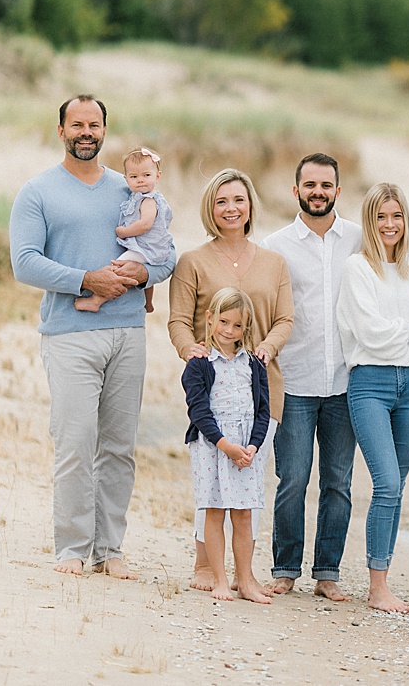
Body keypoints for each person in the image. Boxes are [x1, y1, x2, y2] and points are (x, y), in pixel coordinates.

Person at [10, 94, 176, 577]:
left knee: (119, 447)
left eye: (95, 124)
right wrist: (87, 279)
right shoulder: (37, 191)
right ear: (61, 130)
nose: (87, 132)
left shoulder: (134, 189)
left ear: (105, 130)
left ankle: (111, 550)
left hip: (127, 331)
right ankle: (72, 549)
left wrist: (142, 277)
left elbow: (165, 254)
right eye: (77, 124)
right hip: (69, 335)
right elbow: (24, 262)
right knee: (76, 444)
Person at [168, 168, 293, 591]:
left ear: (250, 206)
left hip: (260, 391)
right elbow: (179, 321)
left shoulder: (275, 263)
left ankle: (246, 573)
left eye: (238, 200)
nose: (231, 208)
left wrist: (267, 348)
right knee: (211, 484)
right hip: (213, 392)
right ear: (210, 208)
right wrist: (191, 351)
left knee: (246, 483)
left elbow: (285, 319)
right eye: (221, 201)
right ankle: (206, 565)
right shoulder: (192, 262)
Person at [337, 183, 409, 613]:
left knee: (395, 489)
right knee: (387, 482)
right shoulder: (357, 268)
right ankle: (377, 588)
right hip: (371, 385)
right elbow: (370, 333)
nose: (389, 225)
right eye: (381, 216)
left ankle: (383, 579)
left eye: (396, 216)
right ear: (369, 220)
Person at [258, 154, 359, 601]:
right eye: (310, 184)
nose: (318, 192)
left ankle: (327, 572)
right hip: (294, 381)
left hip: (346, 383)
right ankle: (284, 568)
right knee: (293, 479)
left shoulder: (358, 238)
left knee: (338, 482)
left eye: (326, 185)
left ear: (338, 190)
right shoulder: (275, 245)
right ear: (295, 189)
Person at [182, 287, 272, 604]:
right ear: (210, 319)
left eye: (237, 326)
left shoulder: (254, 365)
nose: (229, 331)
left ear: (245, 327)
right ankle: (219, 578)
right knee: (216, 510)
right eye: (223, 322)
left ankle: (245, 580)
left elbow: (263, 410)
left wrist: (253, 445)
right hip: (211, 445)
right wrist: (224, 445)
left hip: (246, 448)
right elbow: (198, 410)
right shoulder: (200, 364)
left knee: (244, 514)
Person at [74, 146, 173, 315]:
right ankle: (148, 303)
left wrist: (124, 232)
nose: (140, 180)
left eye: (146, 175)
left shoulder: (149, 200)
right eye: (134, 177)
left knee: (119, 268)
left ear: (158, 176)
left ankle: (96, 301)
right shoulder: (138, 197)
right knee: (147, 274)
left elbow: (145, 225)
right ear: (126, 179)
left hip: (146, 247)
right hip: (154, 248)